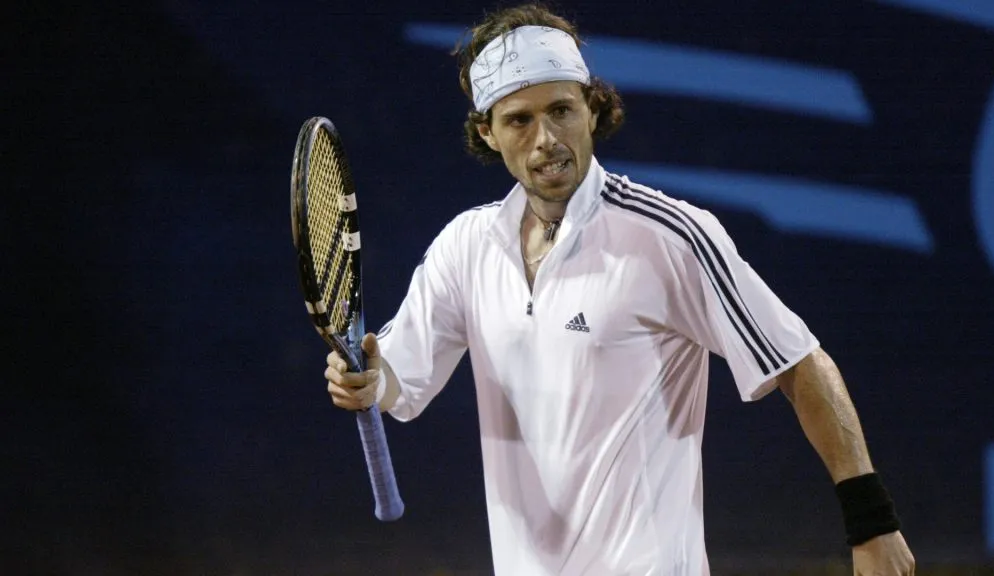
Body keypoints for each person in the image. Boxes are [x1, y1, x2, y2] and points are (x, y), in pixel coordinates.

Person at [324, 4, 915, 575]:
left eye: (561, 110)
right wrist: (369, 381)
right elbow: (400, 380)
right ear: (488, 132)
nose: (546, 140)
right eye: (519, 120)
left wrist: (872, 522)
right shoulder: (464, 246)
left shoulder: (671, 236)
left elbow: (799, 363)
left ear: (592, 107)